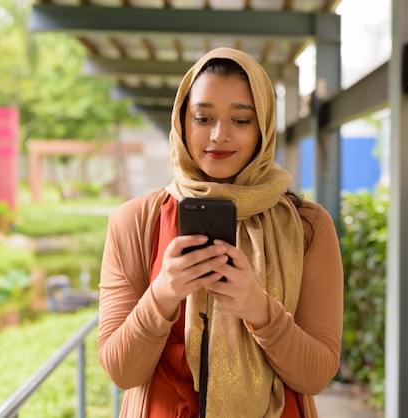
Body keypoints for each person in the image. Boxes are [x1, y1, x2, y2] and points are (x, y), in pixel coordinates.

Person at [98, 47, 343, 418]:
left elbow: (316, 375)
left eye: (241, 120)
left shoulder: (307, 225)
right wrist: (163, 293)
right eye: (203, 117)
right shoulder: (134, 222)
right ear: (182, 123)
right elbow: (121, 370)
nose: (219, 135)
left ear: (263, 126)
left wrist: (259, 309)